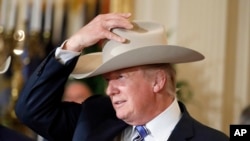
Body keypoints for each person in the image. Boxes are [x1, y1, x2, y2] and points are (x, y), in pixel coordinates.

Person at [15, 13, 229, 141]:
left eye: (121, 77)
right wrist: (74, 44)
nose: (110, 90)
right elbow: (31, 110)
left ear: (158, 81)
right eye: (108, 80)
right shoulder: (93, 117)